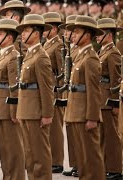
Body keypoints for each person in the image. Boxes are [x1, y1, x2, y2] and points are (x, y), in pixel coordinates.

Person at [65, 15, 106, 179]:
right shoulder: (80, 56)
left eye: (77, 32)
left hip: (85, 115)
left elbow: (94, 91)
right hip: (76, 113)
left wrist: (92, 117)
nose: (72, 35)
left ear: (87, 35)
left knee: (91, 158)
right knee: (82, 159)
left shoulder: (90, 58)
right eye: (73, 32)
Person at [16, 14, 54, 180]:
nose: (23, 34)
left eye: (26, 31)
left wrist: (47, 114)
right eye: (22, 31)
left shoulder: (41, 56)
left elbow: (46, 88)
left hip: (36, 112)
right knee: (30, 155)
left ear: (36, 34)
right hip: (26, 110)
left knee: (40, 154)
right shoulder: (30, 54)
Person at [0, 18, 25, 180]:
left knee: (14, 149)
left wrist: (14, 111)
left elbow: (14, 87)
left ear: (9, 37)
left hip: (7, 109)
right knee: (4, 149)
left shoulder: (13, 56)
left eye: (0, 34)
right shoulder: (2, 55)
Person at [96, 18, 123, 180]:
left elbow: (116, 79)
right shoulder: (103, 51)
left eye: (100, 33)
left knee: (111, 136)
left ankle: (115, 169)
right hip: (101, 98)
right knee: (103, 135)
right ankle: (107, 166)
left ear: (109, 34)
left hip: (108, 99)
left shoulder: (113, 53)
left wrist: (114, 103)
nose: (97, 36)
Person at [42, 12, 64, 174]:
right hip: (48, 89)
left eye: (47, 28)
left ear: (55, 29)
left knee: (55, 127)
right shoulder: (47, 44)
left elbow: (63, 71)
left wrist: (61, 93)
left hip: (55, 90)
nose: (43, 31)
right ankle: (51, 158)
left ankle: (57, 160)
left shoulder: (58, 45)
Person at [58, 14, 80, 177]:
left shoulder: (79, 50)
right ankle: (76, 163)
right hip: (69, 91)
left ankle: (81, 164)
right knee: (71, 129)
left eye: (69, 31)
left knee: (78, 132)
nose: (66, 34)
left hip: (78, 93)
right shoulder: (71, 48)